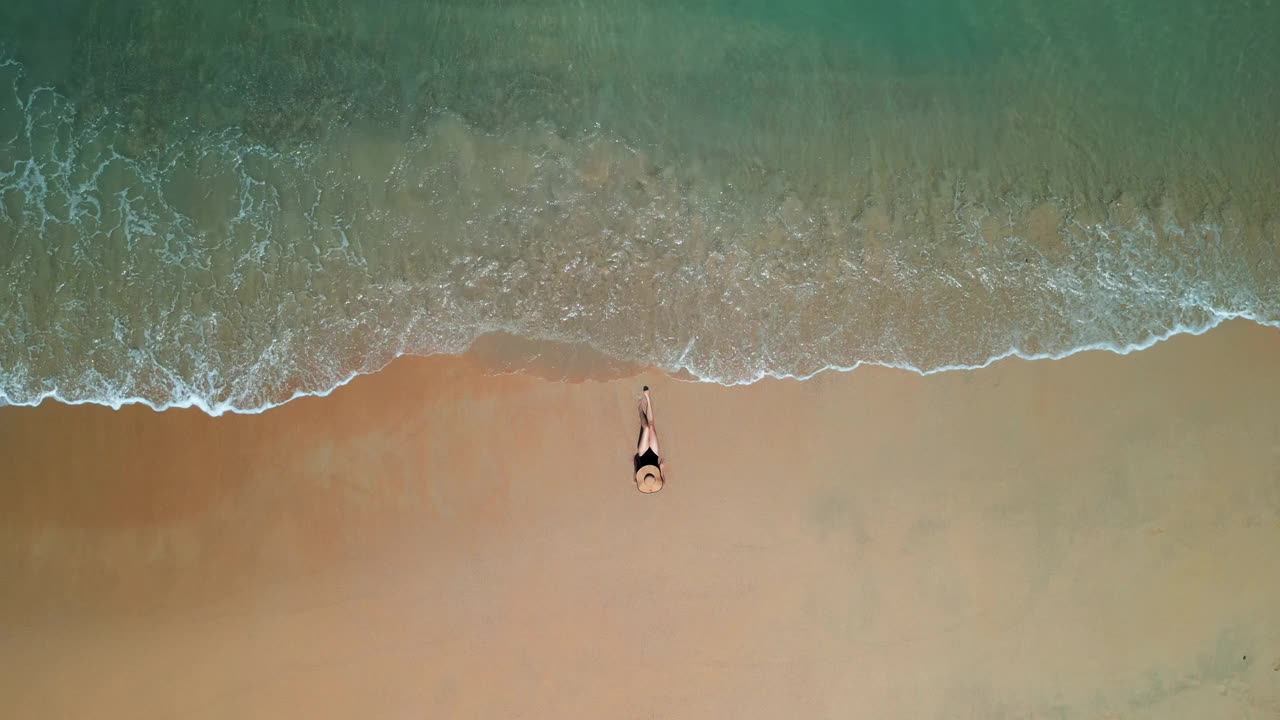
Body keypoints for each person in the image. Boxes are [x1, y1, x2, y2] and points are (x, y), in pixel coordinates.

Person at [634, 386, 666, 494]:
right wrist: (661, 468)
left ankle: (640, 410)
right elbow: (663, 481)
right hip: (654, 454)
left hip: (642, 453)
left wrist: (635, 461)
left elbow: (634, 477)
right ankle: (647, 398)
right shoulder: (658, 481)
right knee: (651, 426)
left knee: (646, 428)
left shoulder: (639, 478)